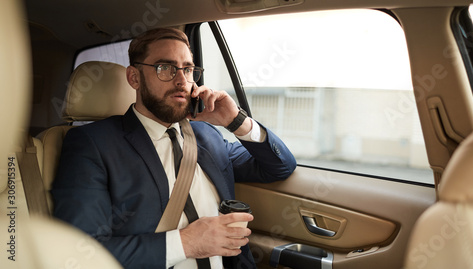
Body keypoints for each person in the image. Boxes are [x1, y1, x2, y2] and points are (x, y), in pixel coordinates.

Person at [52, 27, 297, 269]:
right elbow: (80, 254)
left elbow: (280, 167)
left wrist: (236, 121)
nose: (181, 81)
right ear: (134, 78)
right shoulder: (92, 144)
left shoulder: (207, 136)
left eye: (188, 69)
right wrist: (187, 243)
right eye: (165, 68)